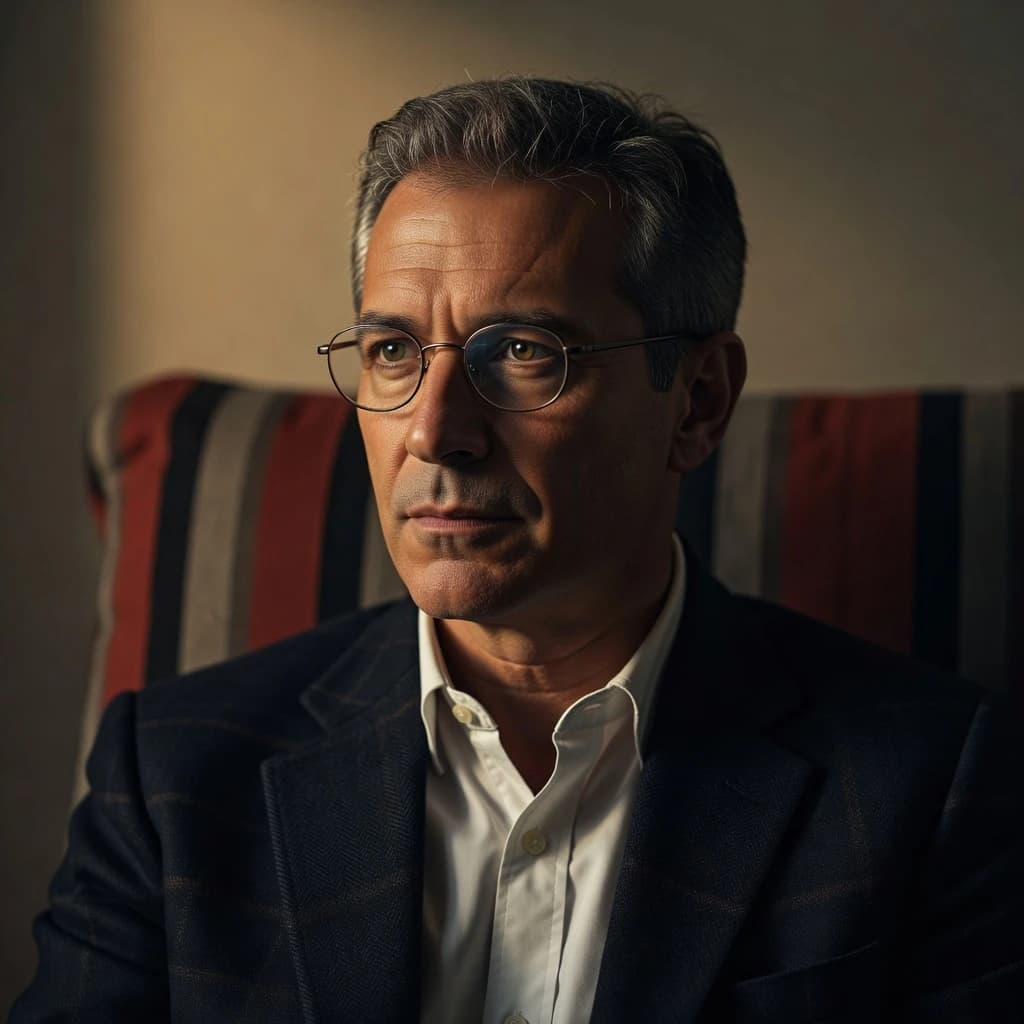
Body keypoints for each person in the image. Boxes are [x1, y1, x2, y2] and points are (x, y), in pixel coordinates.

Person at [13, 77, 1024, 1023]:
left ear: (699, 401)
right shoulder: (174, 774)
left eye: (526, 351)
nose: (434, 429)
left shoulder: (928, 784)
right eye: (394, 351)